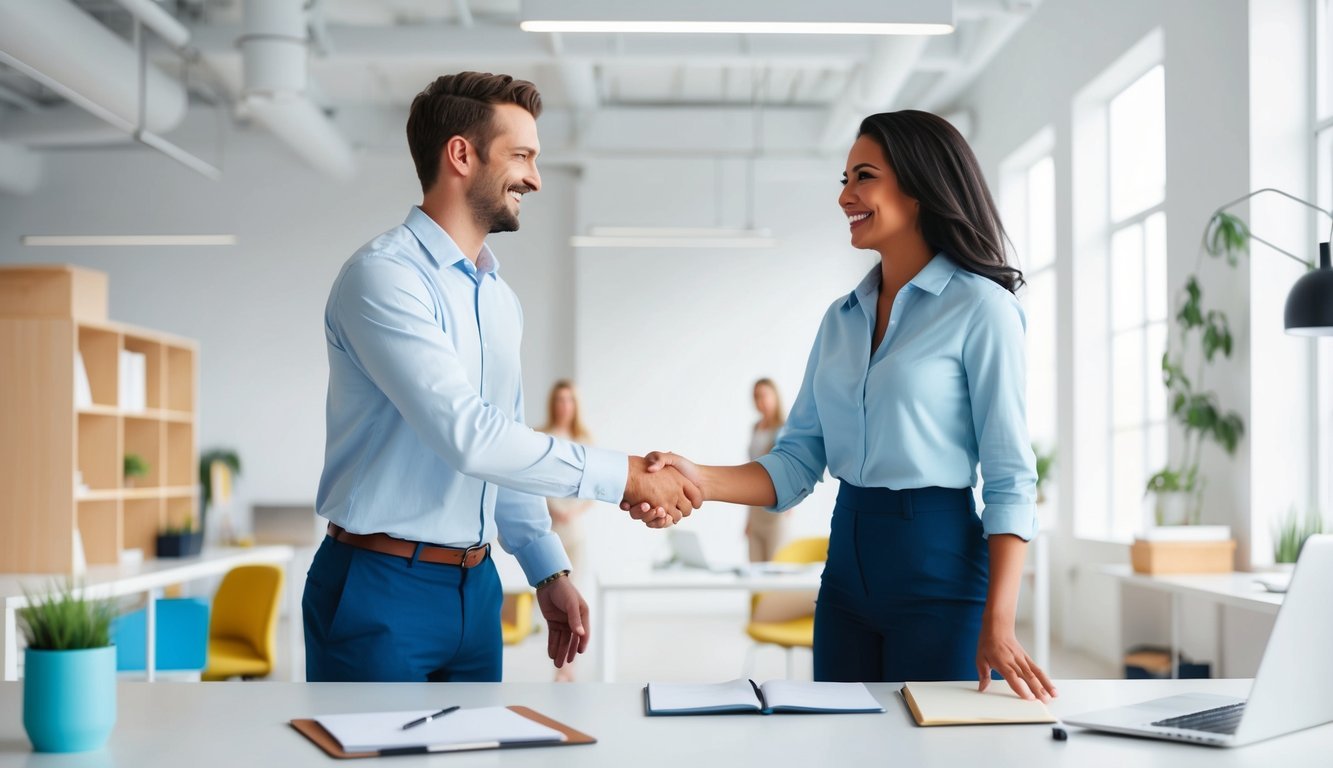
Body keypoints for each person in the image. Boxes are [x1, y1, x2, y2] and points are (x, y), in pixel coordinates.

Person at [628, 110, 1056, 701]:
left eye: (864, 177)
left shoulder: (983, 309)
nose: (845, 196)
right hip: (846, 573)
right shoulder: (841, 319)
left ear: (919, 186)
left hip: (939, 569)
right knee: (839, 741)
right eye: (844, 179)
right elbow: (797, 462)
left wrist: (999, 622)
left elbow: (1011, 478)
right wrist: (696, 476)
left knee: (928, 751)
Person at [304, 71, 700, 684]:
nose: (535, 178)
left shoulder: (498, 298)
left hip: (477, 589)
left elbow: (506, 446)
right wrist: (623, 474)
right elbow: (470, 437)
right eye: (521, 156)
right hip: (380, 586)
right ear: (460, 154)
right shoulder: (384, 279)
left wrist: (548, 570)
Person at [538, 379, 593, 681]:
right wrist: (553, 509)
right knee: (557, 599)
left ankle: (568, 664)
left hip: (576, 533)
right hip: (550, 530)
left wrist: (574, 511)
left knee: (576, 596)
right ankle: (559, 664)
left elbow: (592, 491)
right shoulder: (542, 436)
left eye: (569, 399)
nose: (564, 405)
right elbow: (533, 486)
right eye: (559, 399)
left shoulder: (583, 439)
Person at [746, 378, 788, 562]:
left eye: (763, 396)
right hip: (755, 507)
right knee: (753, 569)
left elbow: (787, 467)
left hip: (775, 508)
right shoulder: (755, 428)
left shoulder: (784, 429)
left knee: (775, 568)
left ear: (775, 397)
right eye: (756, 397)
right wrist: (748, 519)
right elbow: (749, 474)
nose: (760, 401)